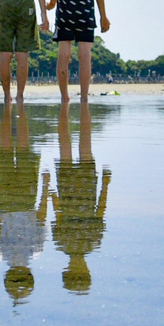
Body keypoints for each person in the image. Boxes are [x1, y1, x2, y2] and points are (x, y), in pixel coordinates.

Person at [0, 100, 50, 305]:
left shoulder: (33, 251)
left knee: (19, 148)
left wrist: (45, 187)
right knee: (13, 148)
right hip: (10, 198)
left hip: (22, 198)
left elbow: (40, 216)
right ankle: (13, 108)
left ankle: (11, 107)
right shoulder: (1, 253)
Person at [52, 100, 111, 293]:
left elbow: (59, 214)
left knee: (80, 147)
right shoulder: (66, 243)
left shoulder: (91, 242)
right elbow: (98, 210)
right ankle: (79, 110)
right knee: (73, 146)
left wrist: (105, 184)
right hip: (79, 190)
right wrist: (105, 184)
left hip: (78, 190)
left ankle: (73, 110)